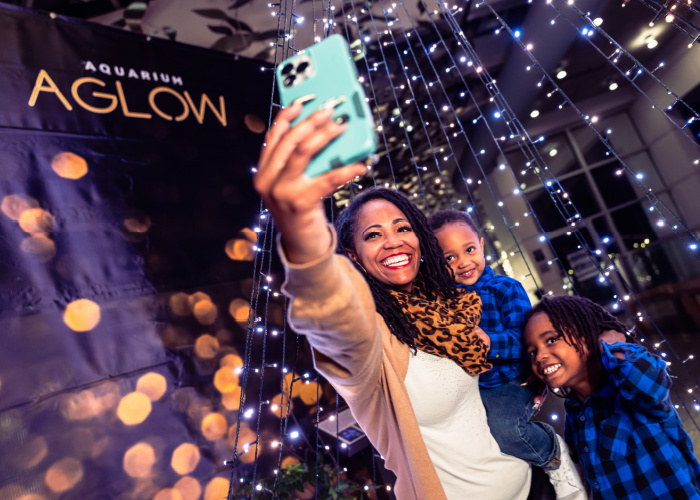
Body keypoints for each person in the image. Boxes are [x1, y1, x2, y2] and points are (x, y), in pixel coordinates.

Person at [254, 101, 531, 499]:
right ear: (353, 256)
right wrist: (302, 230)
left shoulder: (453, 304)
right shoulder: (373, 338)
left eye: (402, 227)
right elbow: (334, 312)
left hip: (529, 483)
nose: (393, 240)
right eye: (373, 235)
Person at [428, 210, 585, 500]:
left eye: (469, 250)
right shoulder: (442, 304)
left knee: (507, 431)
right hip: (472, 387)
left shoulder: (504, 288)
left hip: (509, 381)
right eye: (449, 258)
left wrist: (490, 342)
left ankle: (553, 452)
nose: (463, 263)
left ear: (481, 245)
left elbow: (528, 343)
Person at [523, 295, 700, 500]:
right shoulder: (574, 413)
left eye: (551, 340)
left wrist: (611, 346)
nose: (540, 356)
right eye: (532, 352)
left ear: (587, 335)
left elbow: (652, 378)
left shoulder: (631, 391)